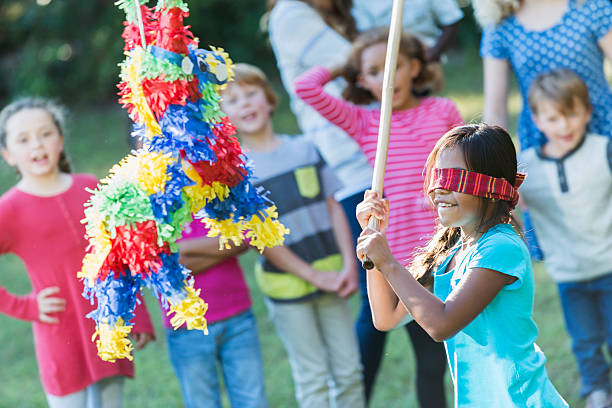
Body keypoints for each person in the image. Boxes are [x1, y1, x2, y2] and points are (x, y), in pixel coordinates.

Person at [294, 28, 464, 408]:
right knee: (372, 335)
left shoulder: (442, 111)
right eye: (374, 71)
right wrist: (349, 64)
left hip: (442, 251)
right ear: (362, 80)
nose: (386, 77)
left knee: (432, 358)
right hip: (396, 256)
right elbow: (306, 89)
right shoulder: (366, 122)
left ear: (414, 67)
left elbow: (465, 168)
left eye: (393, 66)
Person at [355, 123, 569, 407]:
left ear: (490, 187)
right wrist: (375, 247)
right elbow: (386, 317)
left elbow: (442, 323)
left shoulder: (501, 247)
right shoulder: (451, 250)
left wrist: (390, 263)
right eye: (438, 177)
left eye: (454, 178)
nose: (440, 189)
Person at [219, 63, 365, 408]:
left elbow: (333, 207)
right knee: (312, 379)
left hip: (335, 275)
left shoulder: (305, 149)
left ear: (269, 100)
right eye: (233, 99)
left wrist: (348, 265)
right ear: (223, 117)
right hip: (287, 287)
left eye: (251, 93)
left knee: (349, 373)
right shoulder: (236, 174)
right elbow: (259, 238)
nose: (245, 103)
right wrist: (312, 275)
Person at [0, 97, 155, 407]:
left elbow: (118, 257)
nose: (37, 145)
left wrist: (137, 315)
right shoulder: (9, 209)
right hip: (59, 337)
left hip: (108, 326)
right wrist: (24, 307)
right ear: (8, 155)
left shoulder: (89, 187)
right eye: (23, 139)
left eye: (45, 133)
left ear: (60, 138)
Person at [477, 0, 612, 260]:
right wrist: (500, 174)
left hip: (600, 135)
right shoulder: (500, 23)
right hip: (545, 146)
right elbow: (495, 110)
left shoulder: (591, 6)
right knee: (573, 253)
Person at [519, 69, 612, 408]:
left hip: (609, 264)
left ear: (587, 111)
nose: (565, 125)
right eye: (554, 118)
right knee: (585, 340)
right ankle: (597, 392)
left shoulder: (604, 151)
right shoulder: (525, 168)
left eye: (572, 114)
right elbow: (507, 205)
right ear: (538, 120)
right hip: (568, 273)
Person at [161, 219, 268, 408]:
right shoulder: (147, 201)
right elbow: (163, 265)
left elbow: (244, 238)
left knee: (253, 401)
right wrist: (221, 248)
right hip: (187, 327)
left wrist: (181, 247)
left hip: (238, 315)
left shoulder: (219, 190)